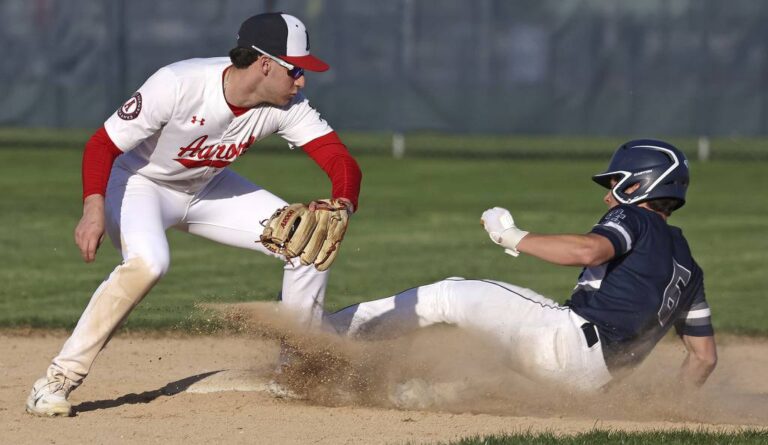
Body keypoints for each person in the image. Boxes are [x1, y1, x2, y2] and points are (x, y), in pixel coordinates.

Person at [26, 12, 362, 417]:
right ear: (265, 63)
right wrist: (93, 208)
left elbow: (340, 161)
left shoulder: (288, 104)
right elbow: (102, 145)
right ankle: (57, 380)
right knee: (149, 263)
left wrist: (341, 203)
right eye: (295, 71)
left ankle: (294, 371)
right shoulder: (178, 83)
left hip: (208, 188)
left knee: (308, 242)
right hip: (139, 184)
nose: (302, 81)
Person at [329, 139, 716, 395]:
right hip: (596, 385)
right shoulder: (690, 270)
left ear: (639, 186)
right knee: (490, 368)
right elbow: (703, 358)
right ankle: (408, 393)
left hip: (569, 343)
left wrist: (511, 235)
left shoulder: (635, 219)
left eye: (616, 184)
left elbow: (588, 251)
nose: (607, 195)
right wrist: (659, 413)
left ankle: (321, 336)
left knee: (445, 295)